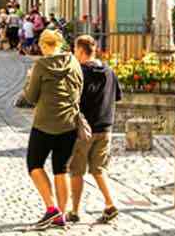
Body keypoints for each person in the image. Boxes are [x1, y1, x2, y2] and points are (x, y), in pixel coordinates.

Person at [19, 29, 83, 229]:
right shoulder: (73, 61)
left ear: (45, 45)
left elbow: (30, 98)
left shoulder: (41, 65)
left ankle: (51, 208)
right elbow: (79, 86)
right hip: (69, 124)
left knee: (34, 164)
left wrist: (30, 79)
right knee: (60, 169)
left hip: (44, 124)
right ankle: (61, 215)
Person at [66, 35, 121, 224]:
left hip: (84, 129)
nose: (74, 53)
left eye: (75, 50)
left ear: (81, 51)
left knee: (77, 171)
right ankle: (110, 203)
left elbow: (72, 101)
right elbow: (117, 97)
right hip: (106, 127)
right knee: (99, 169)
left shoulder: (80, 72)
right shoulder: (109, 71)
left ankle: (74, 211)